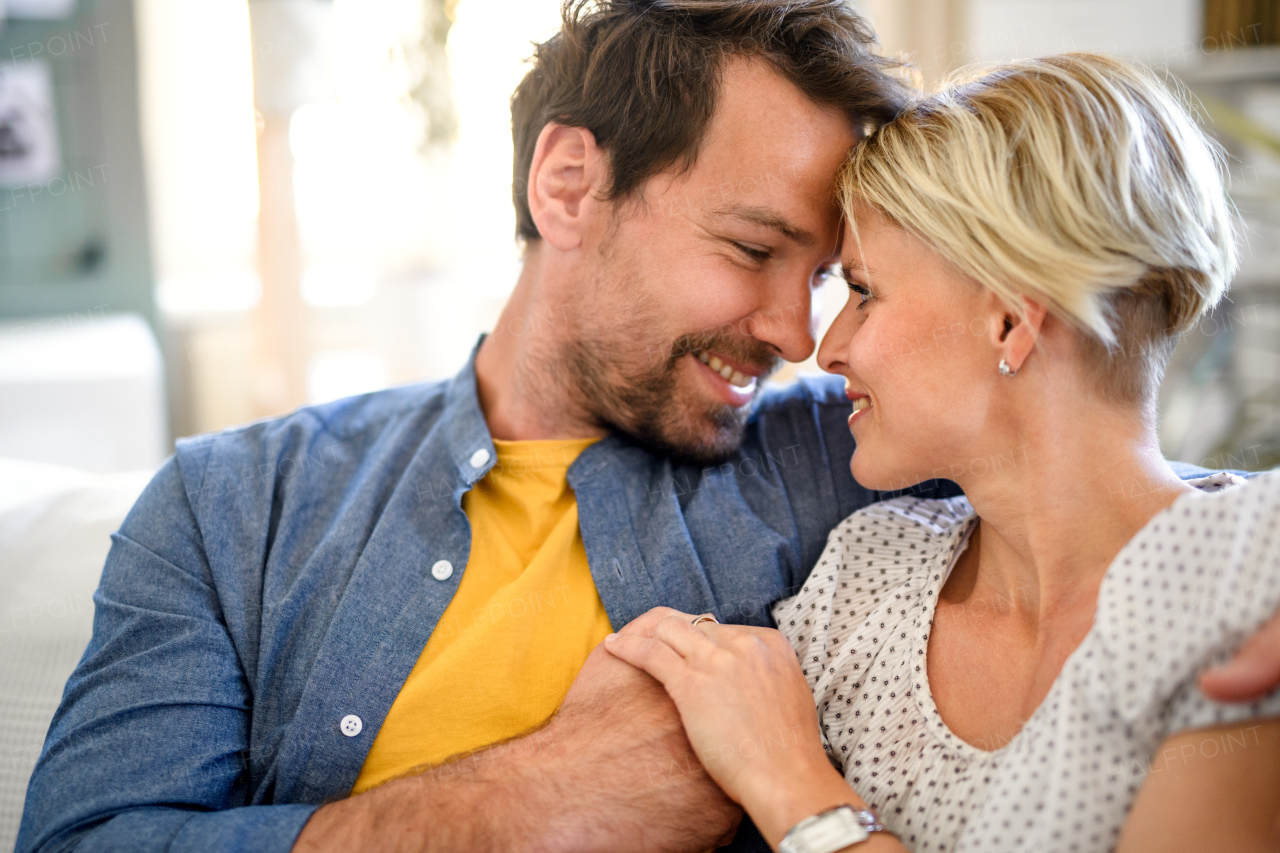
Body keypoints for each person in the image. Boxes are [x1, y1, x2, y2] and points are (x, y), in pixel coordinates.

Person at [15, 2, 1280, 850]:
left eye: (840, 282)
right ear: (570, 185)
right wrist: (530, 798)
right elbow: (88, 838)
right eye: (750, 248)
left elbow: (1104, 464)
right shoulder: (236, 502)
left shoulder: (841, 470)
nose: (798, 333)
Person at [604, 53, 1280, 852]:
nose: (827, 348)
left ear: (1009, 321)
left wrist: (793, 782)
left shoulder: (1250, 573)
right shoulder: (868, 578)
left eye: (863, 291)